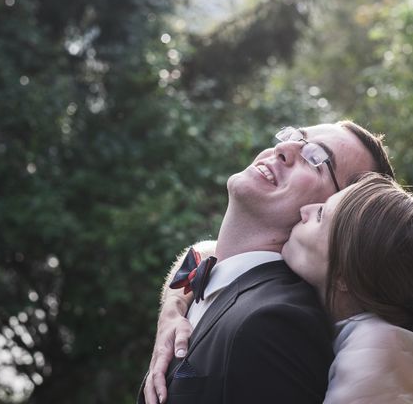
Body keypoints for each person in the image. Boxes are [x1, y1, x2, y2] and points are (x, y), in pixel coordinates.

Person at [139, 122, 394, 404]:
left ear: (335, 217)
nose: (283, 148)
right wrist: (173, 306)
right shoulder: (213, 281)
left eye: (315, 159)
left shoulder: (277, 326)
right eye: (296, 135)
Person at [281, 173, 413, 403]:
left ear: (344, 276)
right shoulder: (390, 343)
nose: (304, 210)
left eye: (320, 215)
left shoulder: (377, 350)